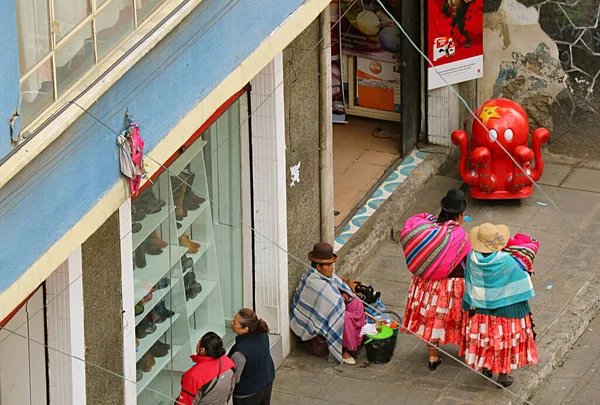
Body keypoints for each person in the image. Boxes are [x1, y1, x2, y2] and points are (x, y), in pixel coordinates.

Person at [398, 189, 471, 370]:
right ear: (460, 216)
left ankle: (433, 358)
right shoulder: (459, 236)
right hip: (451, 286)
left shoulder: (425, 226)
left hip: (426, 284)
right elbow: (467, 260)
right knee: (463, 319)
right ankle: (469, 352)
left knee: (431, 321)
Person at [461, 223, 539, 387]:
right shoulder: (505, 260)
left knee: (485, 337)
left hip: (481, 307)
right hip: (505, 309)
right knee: (503, 340)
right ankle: (503, 377)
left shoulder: (472, 257)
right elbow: (521, 278)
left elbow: (469, 279)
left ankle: (486, 367)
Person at [289, 242, 365, 365]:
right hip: (316, 339)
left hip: (330, 313)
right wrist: (342, 299)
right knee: (344, 317)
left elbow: (338, 294)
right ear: (318, 267)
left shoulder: (327, 276)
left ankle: (355, 340)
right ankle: (344, 350)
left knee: (356, 303)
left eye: (332, 264)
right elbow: (333, 307)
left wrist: (346, 297)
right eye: (328, 265)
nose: (332, 268)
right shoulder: (312, 283)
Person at [229, 309, 276, 405]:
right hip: (266, 383)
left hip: (248, 394)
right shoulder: (263, 334)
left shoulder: (240, 352)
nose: (232, 323)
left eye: (235, 322)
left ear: (245, 329)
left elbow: (235, 378)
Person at [176, 332, 236, 405]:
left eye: (199, 342)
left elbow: (185, 402)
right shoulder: (228, 362)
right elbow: (230, 390)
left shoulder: (194, 376)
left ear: (202, 350)